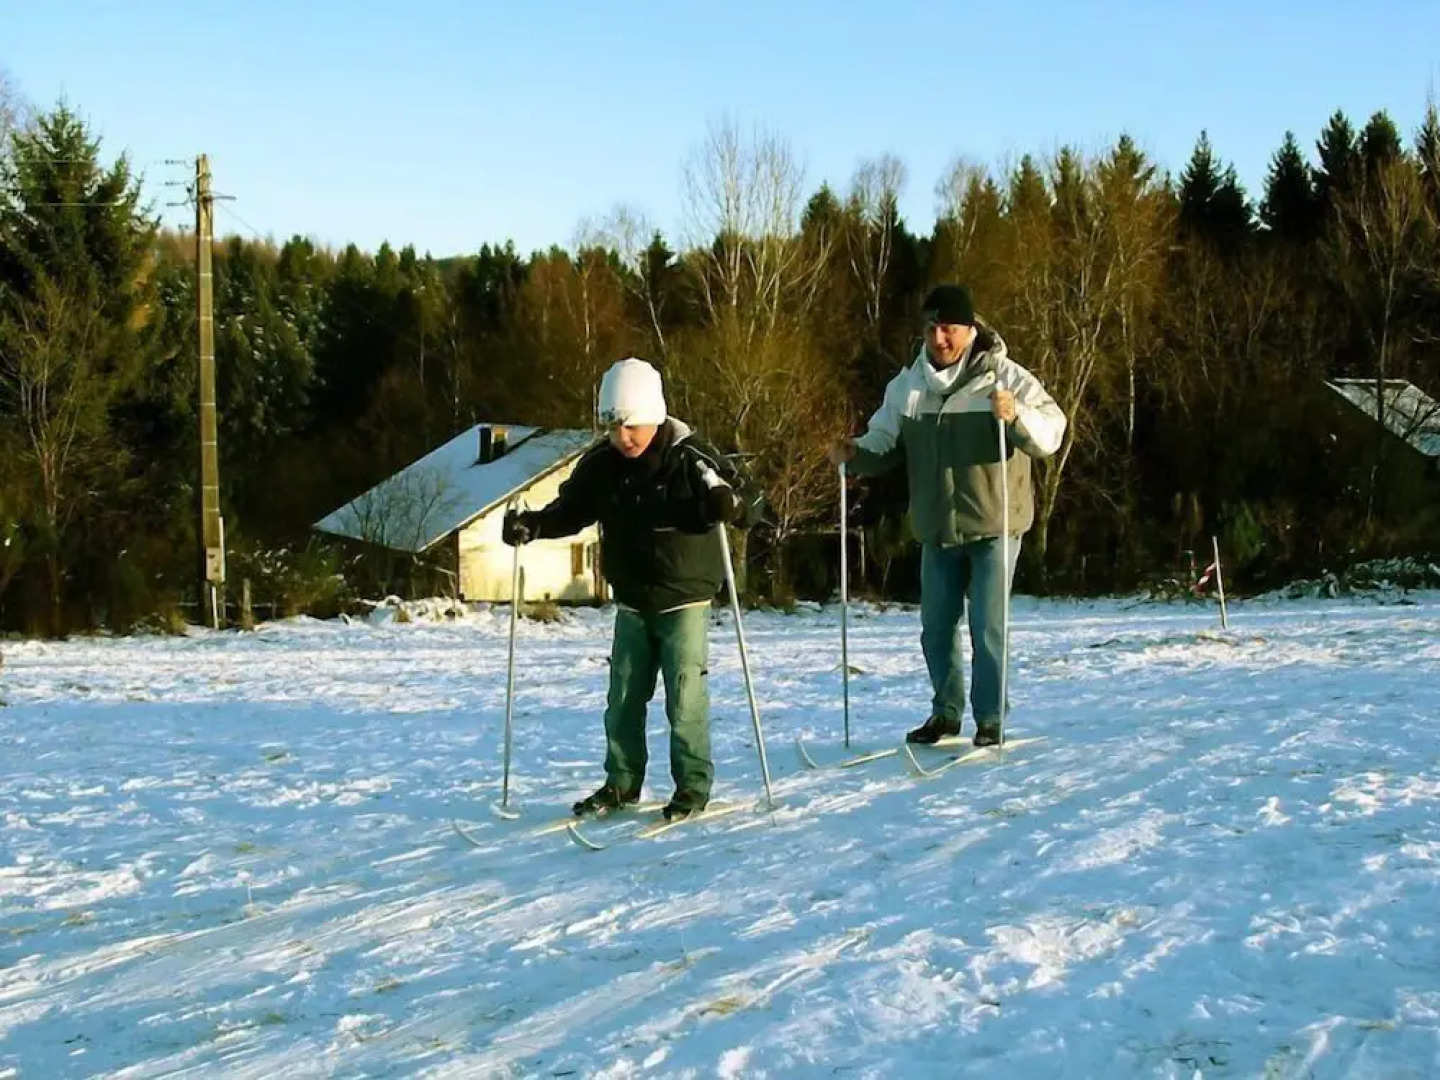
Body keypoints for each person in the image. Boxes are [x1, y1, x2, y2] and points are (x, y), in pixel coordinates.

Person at [503, 356, 756, 820]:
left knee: (685, 699)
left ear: (653, 416)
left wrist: (731, 505)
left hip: (685, 598)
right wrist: (532, 525)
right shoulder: (602, 464)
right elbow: (571, 510)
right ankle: (621, 783)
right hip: (633, 601)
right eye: (614, 427)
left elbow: (749, 501)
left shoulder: (690, 456)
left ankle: (692, 786)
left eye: (632, 427)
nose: (624, 438)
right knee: (622, 698)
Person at [828, 284, 1066, 747]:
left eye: (950, 329)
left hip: (995, 524)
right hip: (937, 527)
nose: (940, 339)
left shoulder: (1004, 378)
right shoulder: (908, 387)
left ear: (970, 330)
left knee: (987, 627)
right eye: (932, 328)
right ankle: (946, 713)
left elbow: (1051, 433)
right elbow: (882, 442)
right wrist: (853, 452)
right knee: (935, 628)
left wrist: (1015, 416)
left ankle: (990, 718)